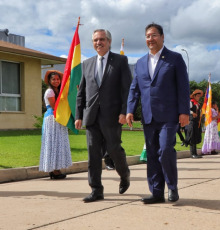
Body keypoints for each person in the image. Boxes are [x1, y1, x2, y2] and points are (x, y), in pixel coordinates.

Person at [126, 23, 190, 204]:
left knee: (166, 150)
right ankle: (156, 192)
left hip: (169, 116)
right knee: (152, 154)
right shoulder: (139, 63)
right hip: (148, 117)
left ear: (162, 37)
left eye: (154, 35)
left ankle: (172, 187)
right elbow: (134, 89)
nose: (150, 39)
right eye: (147, 36)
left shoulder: (175, 59)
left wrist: (184, 111)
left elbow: (183, 87)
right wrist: (130, 110)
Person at [75, 29, 132, 203]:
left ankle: (125, 174)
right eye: (95, 40)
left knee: (114, 150)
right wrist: (79, 115)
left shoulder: (120, 61)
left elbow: (126, 89)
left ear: (108, 41)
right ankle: (96, 190)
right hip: (91, 116)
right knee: (93, 154)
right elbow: (82, 92)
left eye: (101, 39)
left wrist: (124, 111)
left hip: (113, 116)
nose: (98, 43)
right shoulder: (87, 63)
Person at [39, 70, 72, 179]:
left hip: (58, 118)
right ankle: (54, 170)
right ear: (49, 81)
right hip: (52, 118)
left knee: (58, 143)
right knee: (53, 143)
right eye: (53, 79)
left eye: (58, 79)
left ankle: (56, 169)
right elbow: (55, 107)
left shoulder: (58, 91)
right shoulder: (50, 92)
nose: (56, 81)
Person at [184, 89, 203, 158]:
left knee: (195, 137)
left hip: (197, 122)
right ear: (194, 96)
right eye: (197, 96)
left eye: (199, 96)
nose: (198, 97)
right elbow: (186, 109)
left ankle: (195, 153)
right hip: (191, 121)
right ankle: (192, 153)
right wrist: (192, 113)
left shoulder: (198, 104)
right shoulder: (191, 102)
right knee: (192, 137)